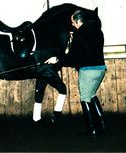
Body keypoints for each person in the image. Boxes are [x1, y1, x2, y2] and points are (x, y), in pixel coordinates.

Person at [45, 8, 106, 137]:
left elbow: (73, 57)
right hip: (100, 69)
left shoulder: (79, 34)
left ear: (78, 21)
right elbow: (87, 49)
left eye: (73, 22)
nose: (72, 25)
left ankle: (92, 129)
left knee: (85, 99)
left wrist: (57, 59)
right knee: (92, 95)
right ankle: (102, 124)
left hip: (87, 71)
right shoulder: (98, 32)